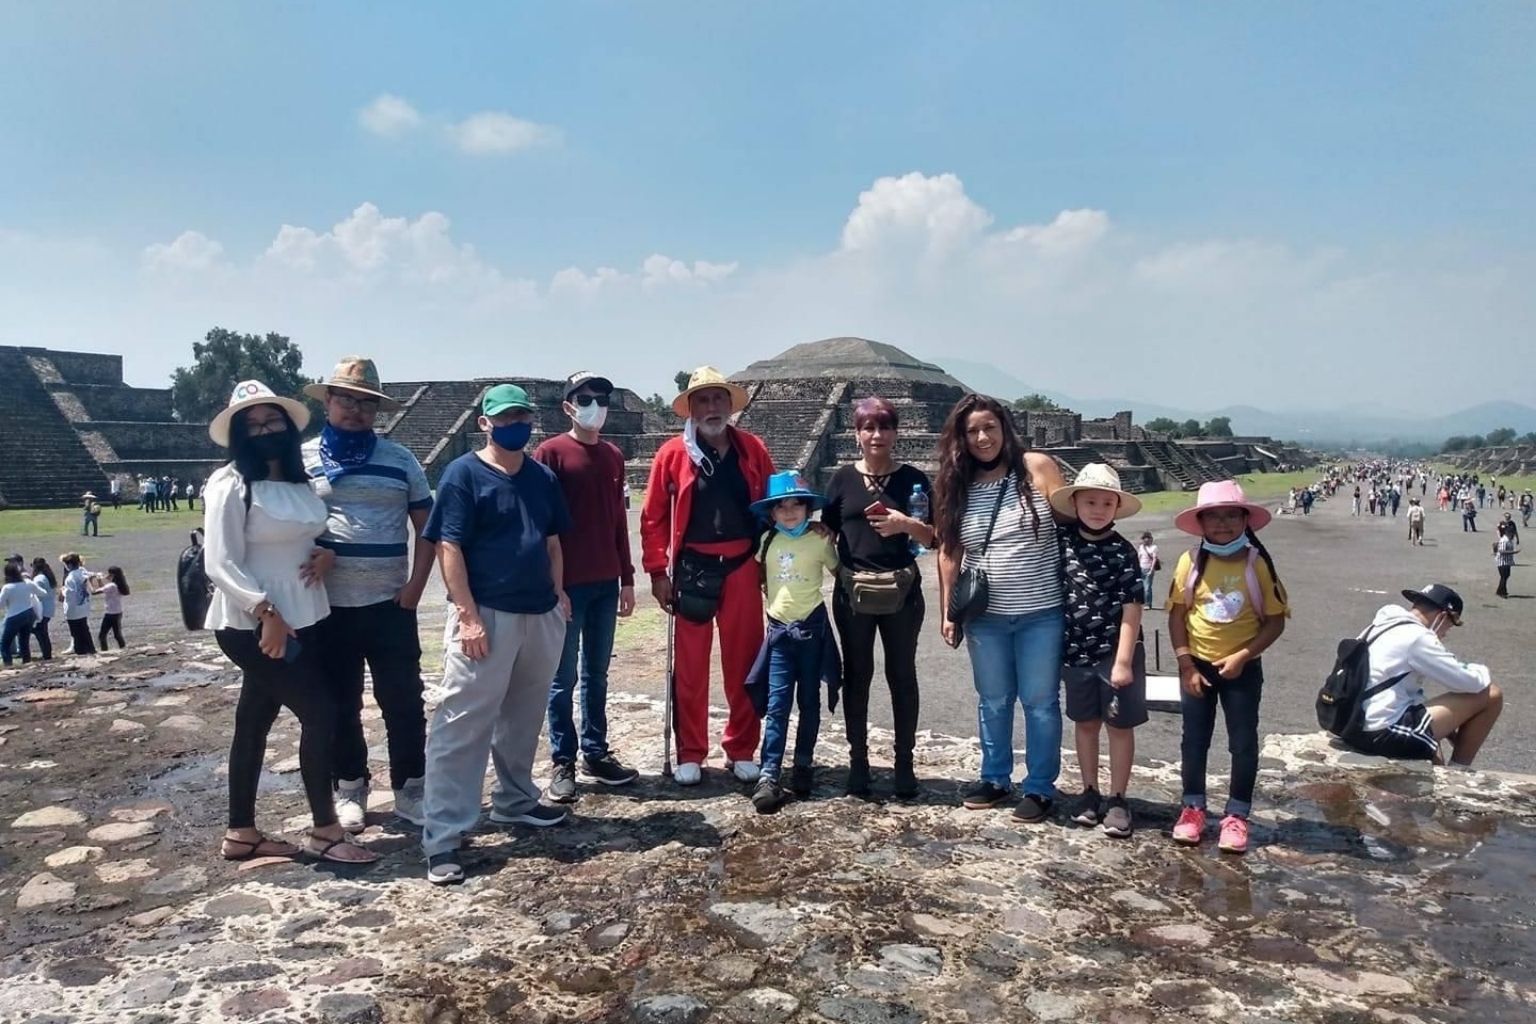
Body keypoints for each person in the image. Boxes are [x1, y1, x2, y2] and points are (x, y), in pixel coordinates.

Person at [203, 380, 375, 865]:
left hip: (308, 613)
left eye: (272, 420)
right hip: (256, 622)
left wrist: (324, 556)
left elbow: (306, 537)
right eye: (252, 425)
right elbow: (220, 562)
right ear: (239, 434)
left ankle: (241, 832)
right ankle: (324, 829)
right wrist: (266, 613)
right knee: (321, 713)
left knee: (253, 721)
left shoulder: (298, 482)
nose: (264, 430)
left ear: (286, 424)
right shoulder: (232, 482)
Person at [420, 384, 573, 886]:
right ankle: (444, 833)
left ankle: (514, 800)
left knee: (524, 715)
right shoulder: (464, 473)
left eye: (522, 416)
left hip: (539, 612)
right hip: (486, 613)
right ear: (485, 423)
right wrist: (467, 616)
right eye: (505, 417)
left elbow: (551, 541)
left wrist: (558, 593)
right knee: (462, 720)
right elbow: (450, 546)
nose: (516, 425)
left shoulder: (542, 477)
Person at [301, 357, 435, 830]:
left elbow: (428, 528)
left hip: (390, 601)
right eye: (346, 400)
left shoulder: (399, 459)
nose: (355, 410)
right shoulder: (304, 459)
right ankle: (351, 785)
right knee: (340, 701)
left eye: (365, 403)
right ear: (328, 403)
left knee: (404, 700)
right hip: (325, 605)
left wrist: (417, 585)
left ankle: (410, 786)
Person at [934, 394, 1066, 823]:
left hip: (1041, 611)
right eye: (972, 431)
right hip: (985, 617)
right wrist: (947, 611)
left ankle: (1041, 787)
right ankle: (995, 778)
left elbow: (1071, 525)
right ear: (961, 438)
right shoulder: (958, 483)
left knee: (1041, 701)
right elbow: (949, 552)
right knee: (993, 700)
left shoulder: (1037, 469)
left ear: (1004, 427)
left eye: (989, 426)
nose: (982, 437)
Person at [640, 367, 775, 787]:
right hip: (693, 571)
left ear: (730, 405)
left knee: (745, 662)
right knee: (691, 667)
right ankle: (691, 751)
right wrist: (657, 572)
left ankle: (741, 748)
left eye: (719, 399)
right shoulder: (672, 455)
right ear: (691, 408)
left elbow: (775, 504)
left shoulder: (751, 449)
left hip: (741, 566)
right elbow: (653, 519)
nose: (712, 407)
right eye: (703, 400)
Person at [533, 371, 640, 803]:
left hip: (604, 580)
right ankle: (564, 759)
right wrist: (551, 587)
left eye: (601, 397)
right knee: (562, 678)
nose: (595, 403)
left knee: (597, 673)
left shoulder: (613, 456)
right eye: (586, 397)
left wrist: (627, 578)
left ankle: (596, 751)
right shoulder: (551, 453)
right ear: (568, 406)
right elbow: (541, 527)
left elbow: (618, 522)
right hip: (568, 585)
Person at [819, 396, 934, 799]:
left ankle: (904, 763)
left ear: (896, 433)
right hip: (854, 593)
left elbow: (933, 537)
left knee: (902, 675)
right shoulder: (842, 479)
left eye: (884, 427)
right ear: (856, 434)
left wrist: (906, 523)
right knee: (858, 676)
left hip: (902, 590)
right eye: (868, 427)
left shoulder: (914, 480)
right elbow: (827, 531)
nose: (877, 435)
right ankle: (859, 763)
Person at [1167, 481, 1289, 854]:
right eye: (1213, 516)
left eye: (1230, 515)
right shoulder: (1191, 561)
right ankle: (1193, 807)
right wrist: (1186, 663)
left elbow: (1275, 620)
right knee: (1194, 739)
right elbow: (1177, 616)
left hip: (1243, 667)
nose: (1222, 524)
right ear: (1201, 522)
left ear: (1244, 520)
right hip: (1197, 665)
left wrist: (1243, 655)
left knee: (1242, 741)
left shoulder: (1257, 564)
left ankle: (1236, 814)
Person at [1049, 464, 1146, 839]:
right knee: (1085, 723)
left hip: (1114, 652)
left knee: (1119, 727)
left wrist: (1123, 660)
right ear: (1074, 504)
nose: (1098, 509)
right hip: (1075, 651)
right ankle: (1089, 790)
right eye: (1090, 501)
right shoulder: (1062, 541)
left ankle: (1118, 797)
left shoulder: (1123, 551)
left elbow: (1132, 606)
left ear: (1116, 507)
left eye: (1107, 502)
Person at [743, 473, 841, 812]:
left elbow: (840, 572)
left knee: (809, 701)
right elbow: (755, 577)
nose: (788, 512)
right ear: (771, 513)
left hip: (812, 630)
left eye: (795, 505)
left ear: (807, 509)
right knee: (777, 704)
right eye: (780, 507)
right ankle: (770, 772)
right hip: (780, 633)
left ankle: (803, 762)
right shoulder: (767, 541)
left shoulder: (820, 541)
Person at [1342, 585, 1502, 765]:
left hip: (1352, 722)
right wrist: (1481, 669)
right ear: (1443, 617)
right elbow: (1471, 683)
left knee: (1434, 750)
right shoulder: (1418, 637)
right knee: (1492, 694)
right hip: (1379, 731)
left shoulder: (1382, 625)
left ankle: (1441, 767)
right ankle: (1460, 772)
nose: (1445, 634)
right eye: (1449, 626)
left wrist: (1451, 727)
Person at [1, 563, 39, 666]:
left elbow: (1, 604)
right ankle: (27, 662)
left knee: (4, 644)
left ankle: (8, 665)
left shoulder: (7, 587)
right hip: (29, 613)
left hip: (14, 616)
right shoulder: (27, 583)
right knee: (24, 642)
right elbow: (41, 592)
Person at [60, 552, 96, 655]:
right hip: (84, 605)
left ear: (69, 565)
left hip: (73, 609)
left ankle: (80, 651)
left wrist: (63, 591)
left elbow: (70, 594)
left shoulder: (70, 578)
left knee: (76, 632)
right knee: (84, 629)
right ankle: (90, 649)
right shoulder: (82, 572)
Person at [92, 566, 130, 649]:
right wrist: (99, 580)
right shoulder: (118, 585)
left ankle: (105, 651)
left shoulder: (111, 586)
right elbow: (103, 588)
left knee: (102, 636)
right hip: (118, 612)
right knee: (117, 635)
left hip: (110, 614)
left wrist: (90, 581)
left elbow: (94, 592)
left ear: (112, 575)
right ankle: (123, 648)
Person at [28, 557, 56, 660]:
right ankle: (47, 654)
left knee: (40, 633)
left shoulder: (39, 579)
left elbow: (36, 595)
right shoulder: (47, 576)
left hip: (42, 610)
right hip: (48, 609)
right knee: (42, 633)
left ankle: (46, 655)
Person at [1135, 531, 1159, 610]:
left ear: (1150, 539)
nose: (1146, 540)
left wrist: (1151, 569)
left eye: (1148, 538)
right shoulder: (1141, 547)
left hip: (1148, 568)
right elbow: (1139, 557)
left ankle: (1148, 603)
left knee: (1147, 587)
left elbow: (1154, 559)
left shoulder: (1154, 547)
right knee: (1141, 587)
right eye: (1144, 539)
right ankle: (1143, 602)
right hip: (1141, 568)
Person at [1493, 521, 1517, 598]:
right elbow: (1501, 551)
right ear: (1508, 533)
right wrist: (1514, 552)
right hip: (1502, 562)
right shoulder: (1504, 540)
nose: (1513, 535)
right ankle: (1502, 592)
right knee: (1504, 577)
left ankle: (1500, 591)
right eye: (1512, 533)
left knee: (1505, 576)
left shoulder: (1509, 540)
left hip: (1507, 561)